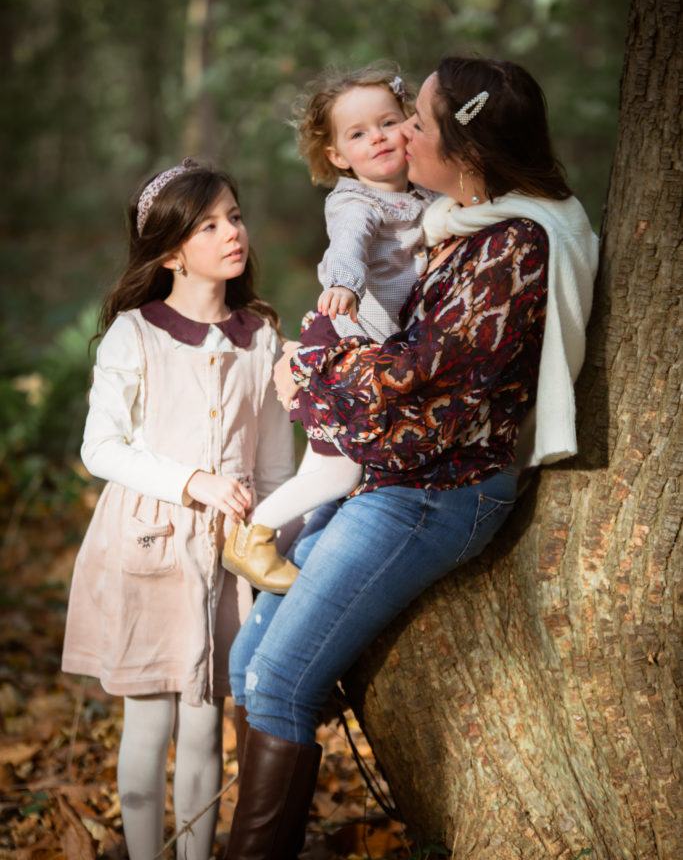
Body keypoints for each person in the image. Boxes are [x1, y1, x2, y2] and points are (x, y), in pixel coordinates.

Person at [221, 56, 600, 859]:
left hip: (439, 491)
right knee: (250, 660)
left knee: (284, 682)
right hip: (392, 473)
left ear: (461, 149)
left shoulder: (513, 248)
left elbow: (428, 391)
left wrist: (309, 374)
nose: (400, 134)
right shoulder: (456, 221)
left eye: (415, 122)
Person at [61, 159, 295, 860]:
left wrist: (278, 541)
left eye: (235, 216)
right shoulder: (135, 334)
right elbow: (100, 447)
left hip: (226, 556)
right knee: (149, 722)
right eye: (209, 225)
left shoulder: (261, 339)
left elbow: (276, 466)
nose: (232, 233)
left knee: (205, 726)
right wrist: (192, 480)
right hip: (148, 545)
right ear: (169, 252)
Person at [221, 65, 436, 593]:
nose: (378, 138)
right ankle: (252, 539)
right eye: (358, 134)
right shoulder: (354, 202)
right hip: (342, 345)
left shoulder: (425, 194)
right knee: (341, 472)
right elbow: (349, 244)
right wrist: (344, 284)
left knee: (322, 470)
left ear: (410, 123)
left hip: (370, 353)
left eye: (388, 122)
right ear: (339, 156)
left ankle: (274, 544)